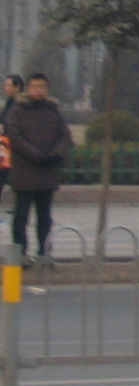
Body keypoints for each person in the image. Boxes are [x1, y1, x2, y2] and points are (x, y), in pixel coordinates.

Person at [4, 73, 71, 265]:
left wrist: (55, 154)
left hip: (47, 174)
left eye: (42, 87)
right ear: (28, 88)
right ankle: (21, 254)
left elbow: (65, 136)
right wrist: (35, 155)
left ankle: (44, 253)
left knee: (45, 218)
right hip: (24, 173)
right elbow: (14, 137)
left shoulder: (53, 110)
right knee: (21, 217)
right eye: (34, 86)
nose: (38, 90)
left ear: (47, 89)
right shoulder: (18, 110)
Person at [0, 74, 22, 209]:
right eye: (5, 85)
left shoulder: (20, 105)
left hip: (14, 149)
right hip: (4, 147)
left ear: (17, 87)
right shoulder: (9, 103)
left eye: (9, 85)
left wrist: (5, 128)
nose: (6, 88)